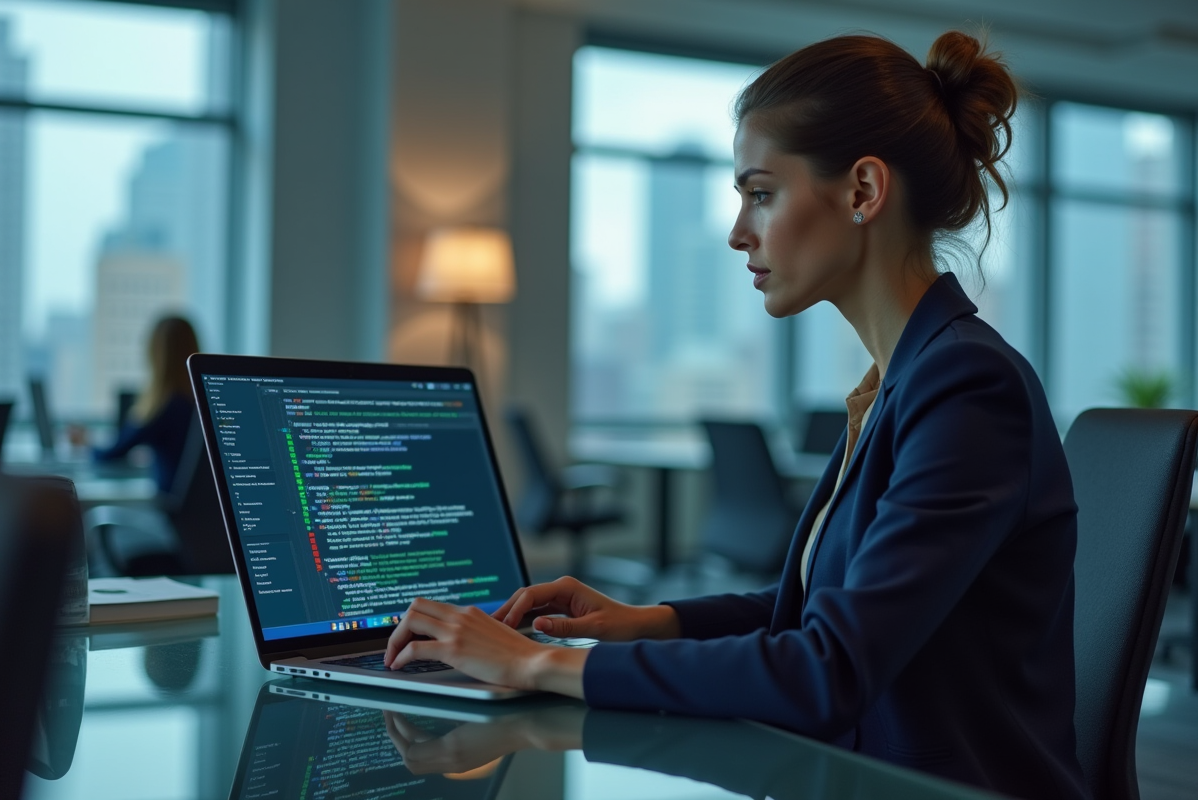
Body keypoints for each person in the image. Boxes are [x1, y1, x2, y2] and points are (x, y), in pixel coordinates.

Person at [383, 31, 1088, 799]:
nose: (737, 232)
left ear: (862, 191)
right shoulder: (899, 380)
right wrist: (650, 620)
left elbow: (830, 670)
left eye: (761, 193)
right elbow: (827, 608)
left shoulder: (966, 387)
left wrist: (534, 662)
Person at [93, 315, 200, 494]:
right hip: (201, 511)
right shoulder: (204, 403)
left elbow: (111, 454)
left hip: (169, 510)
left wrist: (85, 445)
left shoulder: (164, 406)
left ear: (155, 354)